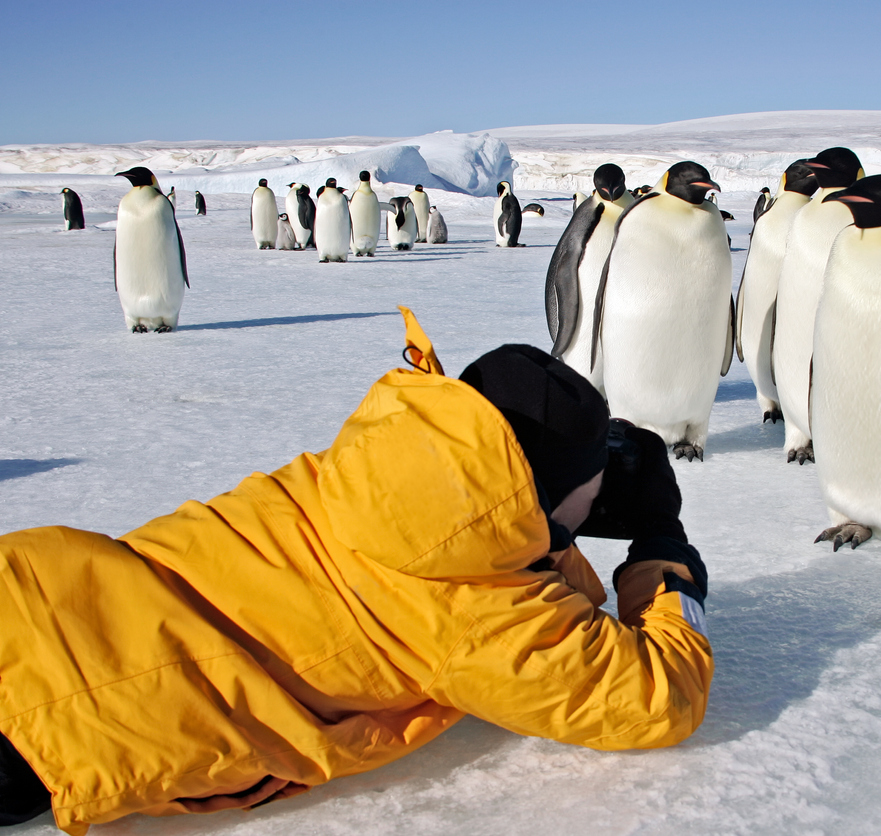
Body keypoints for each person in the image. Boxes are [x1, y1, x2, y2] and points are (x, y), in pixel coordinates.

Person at [0, 308, 712, 835]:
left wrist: (552, 527)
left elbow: (488, 552)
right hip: (69, 720)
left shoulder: (364, 469)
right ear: (546, 491)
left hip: (35, 588)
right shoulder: (476, 612)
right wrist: (659, 545)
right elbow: (656, 698)